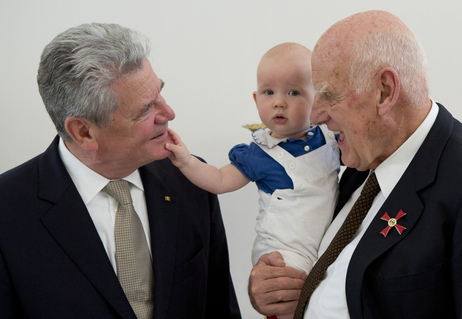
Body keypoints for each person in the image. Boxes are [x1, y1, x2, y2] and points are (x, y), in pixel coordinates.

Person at [0, 23, 241, 319]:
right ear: (84, 132)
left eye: (160, 94)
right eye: (145, 109)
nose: (168, 114)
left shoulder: (191, 180)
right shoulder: (7, 210)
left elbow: (219, 307)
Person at [248, 10, 462, 319]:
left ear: (384, 91)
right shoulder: (357, 163)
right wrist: (275, 288)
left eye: (328, 95)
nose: (315, 116)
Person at [166, 42, 340, 319]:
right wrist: (187, 162)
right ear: (255, 98)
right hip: (285, 251)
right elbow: (221, 180)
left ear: (318, 100)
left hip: (325, 245)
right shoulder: (260, 154)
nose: (279, 102)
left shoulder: (330, 138)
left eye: (293, 92)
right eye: (268, 92)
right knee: (291, 302)